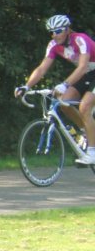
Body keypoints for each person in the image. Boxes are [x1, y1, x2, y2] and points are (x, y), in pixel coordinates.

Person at [15, 14, 95, 164]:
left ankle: (92, 152)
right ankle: (87, 132)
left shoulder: (80, 39)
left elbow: (83, 67)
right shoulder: (53, 45)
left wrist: (64, 84)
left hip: (88, 71)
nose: (54, 35)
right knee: (64, 102)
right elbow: (41, 69)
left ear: (67, 30)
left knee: (84, 107)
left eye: (58, 31)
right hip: (87, 74)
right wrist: (26, 86)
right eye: (51, 32)